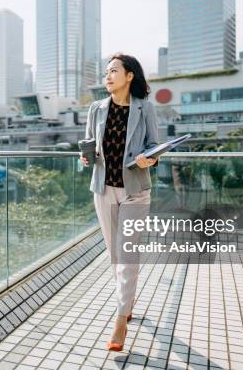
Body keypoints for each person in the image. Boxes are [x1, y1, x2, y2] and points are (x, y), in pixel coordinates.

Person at [80, 53, 160, 351]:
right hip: (103, 190)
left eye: (114, 71)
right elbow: (90, 145)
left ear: (129, 76)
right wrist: (86, 157)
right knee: (116, 255)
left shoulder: (145, 109)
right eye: (106, 72)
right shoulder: (96, 109)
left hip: (135, 190)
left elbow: (155, 145)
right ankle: (128, 301)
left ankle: (120, 322)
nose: (108, 76)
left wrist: (149, 157)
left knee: (127, 256)